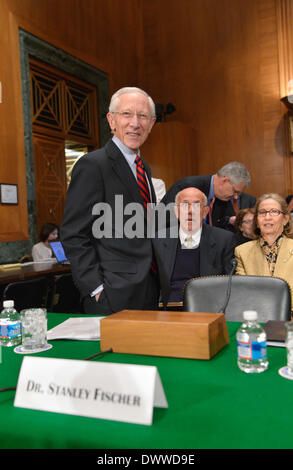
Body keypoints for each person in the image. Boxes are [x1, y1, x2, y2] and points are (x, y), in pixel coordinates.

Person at [60, 87, 159, 315]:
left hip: (149, 288)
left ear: (151, 123)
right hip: (112, 294)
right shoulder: (93, 165)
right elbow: (73, 233)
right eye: (127, 114)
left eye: (142, 116)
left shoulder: (144, 168)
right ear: (111, 120)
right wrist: (95, 287)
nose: (135, 123)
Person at [153, 187, 235, 306]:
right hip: (167, 308)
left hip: (207, 308)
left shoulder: (224, 240)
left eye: (197, 205)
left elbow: (228, 285)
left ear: (205, 211)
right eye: (185, 205)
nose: (190, 211)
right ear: (176, 211)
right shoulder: (158, 240)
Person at [161, 161, 256, 231]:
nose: (236, 197)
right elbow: (165, 222)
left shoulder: (223, 197)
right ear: (224, 180)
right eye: (235, 191)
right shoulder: (186, 187)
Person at [234, 193, 293, 305]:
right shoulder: (242, 251)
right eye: (262, 213)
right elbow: (243, 292)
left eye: (274, 212)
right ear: (256, 221)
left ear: (285, 219)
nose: (267, 217)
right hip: (258, 314)